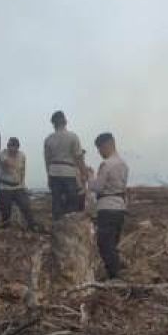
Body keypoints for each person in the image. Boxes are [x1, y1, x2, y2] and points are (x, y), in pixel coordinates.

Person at [88, 132, 129, 279]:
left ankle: (115, 277)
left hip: (107, 207)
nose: (99, 152)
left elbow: (97, 187)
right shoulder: (124, 164)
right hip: (120, 208)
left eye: (100, 148)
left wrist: (90, 176)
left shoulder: (106, 164)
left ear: (108, 145)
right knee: (113, 243)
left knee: (104, 244)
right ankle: (116, 271)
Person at [43, 110, 88, 220]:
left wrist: (49, 177)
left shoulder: (48, 139)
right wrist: (84, 173)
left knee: (57, 202)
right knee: (72, 202)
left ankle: (57, 224)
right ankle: (71, 225)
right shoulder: (73, 137)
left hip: (54, 172)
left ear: (53, 124)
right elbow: (79, 157)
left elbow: (47, 161)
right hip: (68, 172)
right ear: (65, 122)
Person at [0, 137, 39, 231]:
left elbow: (23, 170)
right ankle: (5, 227)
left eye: (13, 146)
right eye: (9, 146)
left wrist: (23, 184)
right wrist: (12, 157)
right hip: (5, 187)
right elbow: (7, 163)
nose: (11, 148)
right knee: (5, 210)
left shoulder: (22, 155)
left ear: (17, 147)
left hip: (18, 186)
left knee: (26, 206)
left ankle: (32, 225)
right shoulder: (3, 154)